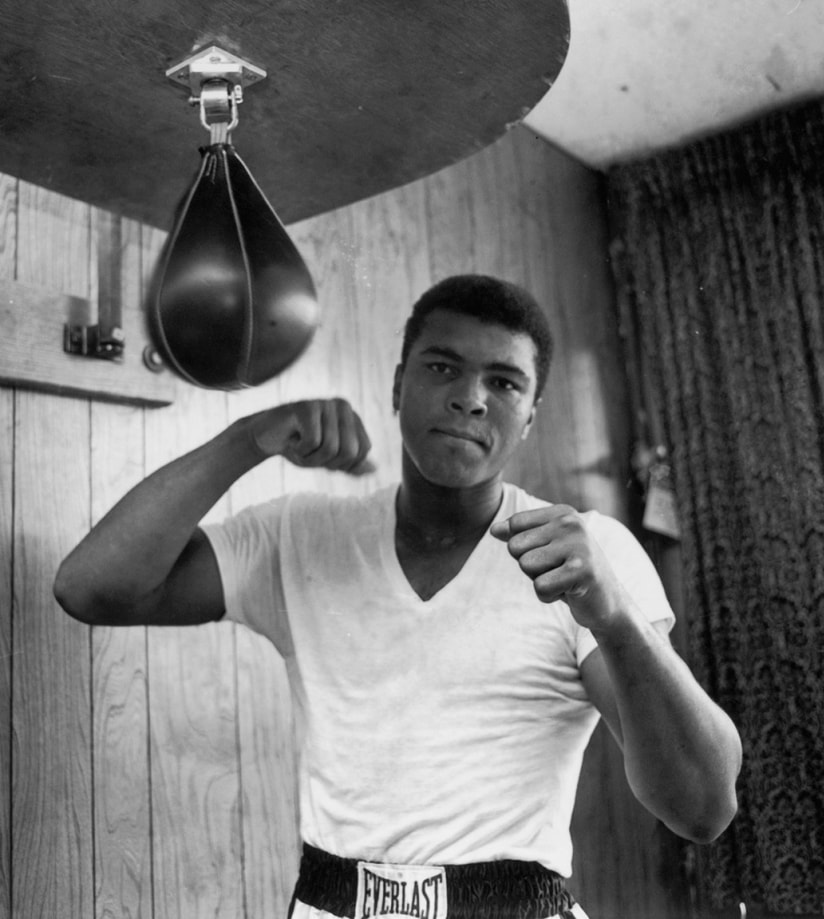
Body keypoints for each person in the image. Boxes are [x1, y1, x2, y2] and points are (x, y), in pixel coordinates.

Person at [54, 274, 742, 919]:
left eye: (503, 381)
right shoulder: (302, 536)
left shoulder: (584, 551)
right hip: (332, 897)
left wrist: (616, 617)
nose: (471, 396)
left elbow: (702, 807)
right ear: (397, 384)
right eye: (443, 366)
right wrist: (246, 441)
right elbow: (91, 587)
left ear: (530, 416)